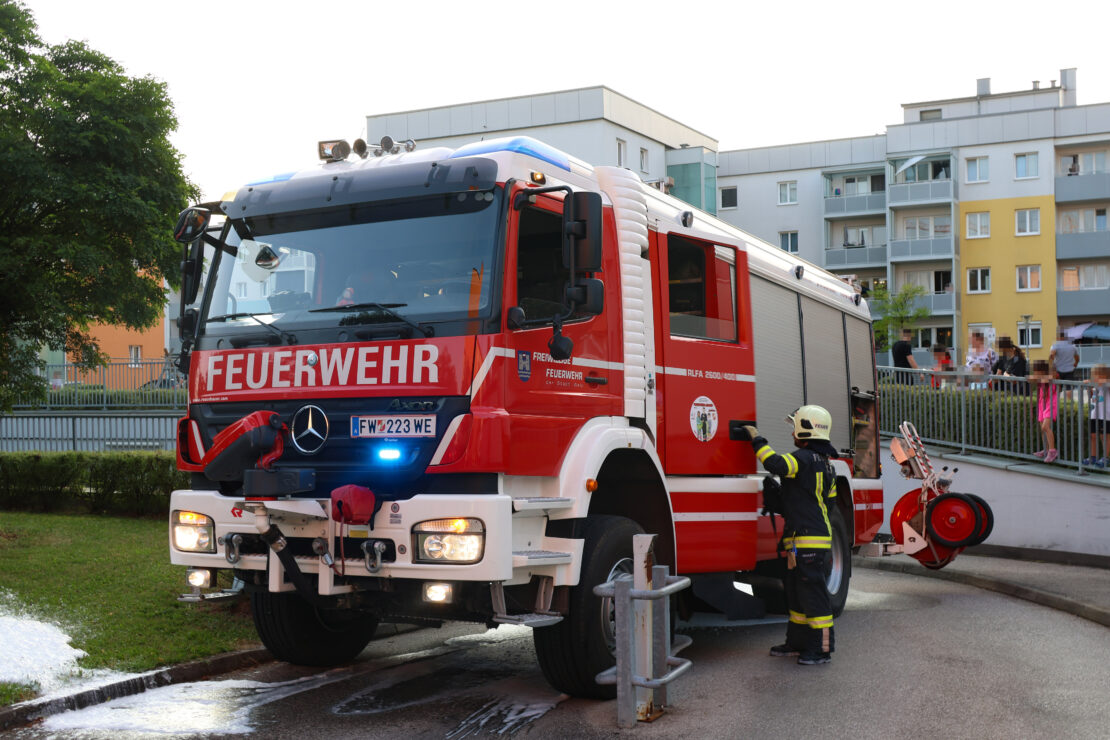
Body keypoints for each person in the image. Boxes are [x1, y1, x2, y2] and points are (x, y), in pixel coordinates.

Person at [740, 406, 838, 666]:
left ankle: (822, 649)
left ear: (807, 428)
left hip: (808, 540)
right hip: (804, 539)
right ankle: (797, 642)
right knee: (796, 594)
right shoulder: (827, 464)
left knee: (814, 596)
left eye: (795, 426)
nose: (792, 431)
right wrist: (785, 500)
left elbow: (775, 464)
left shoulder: (804, 458)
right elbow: (826, 504)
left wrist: (756, 438)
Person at [1031, 359, 1059, 463]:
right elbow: (1031, 379)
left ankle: (1052, 451)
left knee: (1045, 427)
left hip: (1050, 405)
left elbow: (1049, 378)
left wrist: (1039, 377)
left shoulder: (1049, 377)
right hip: (1042, 404)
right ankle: (1046, 449)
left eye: (1036, 371)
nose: (1035, 373)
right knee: (1042, 428)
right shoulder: (1040, 378)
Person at [1083, 364, 1109, 469]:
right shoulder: (1096, 385)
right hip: (1095, 414)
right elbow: (1092, 398)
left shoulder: (1106, 385)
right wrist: (1089, 388)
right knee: (1092, 435)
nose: (1096, 377)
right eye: (1095, 375)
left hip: (1106, 416)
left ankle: (1105, 457)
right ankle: (1093, 456)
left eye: (1099, 375)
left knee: (1105, 437)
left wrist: (1102, 381)